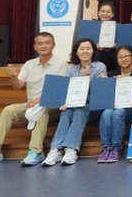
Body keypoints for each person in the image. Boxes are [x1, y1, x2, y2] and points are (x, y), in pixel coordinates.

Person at [0, 32, 67, 168]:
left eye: (47, 43)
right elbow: (17, 86)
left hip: (51, 106)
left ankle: (36, 151)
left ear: (53, 45)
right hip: (30, 106)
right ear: (35, 47)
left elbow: (59, 90)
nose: (43, 46)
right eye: (40, 43)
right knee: (8, 110)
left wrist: (38, 100)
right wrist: (13, 76)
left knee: (41, 111)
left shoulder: (61, 63)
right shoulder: (29, 64)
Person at [43, 38, 107, 167]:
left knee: (79, 110)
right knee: (66, 112)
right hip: (74, 106)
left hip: (93, 106)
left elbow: (99, 92)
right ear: (76, 52)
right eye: (82, 49)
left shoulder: (100, 67)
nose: (85, 51)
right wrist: (63, 102)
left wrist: (87, 77)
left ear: (93, 51)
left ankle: (71, 149)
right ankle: (55, 150)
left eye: (88, 48)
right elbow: (66, 89)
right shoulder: (71, 69)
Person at [97, 45, 132, 163]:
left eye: (126, 56)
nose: (123, 59)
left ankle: (116, 148)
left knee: (118, 113)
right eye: (120, 57)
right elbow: (105, 94)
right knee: (106, 113)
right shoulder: (112, 74)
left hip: (131, 108)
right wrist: (106, 82)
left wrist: (124, 82)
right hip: (113, 106)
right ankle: (106, 147)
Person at [95, 0, 118, 71]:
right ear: (98, 13)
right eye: (102, 11)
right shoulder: (92, 26)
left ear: (112, 14)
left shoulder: (118, 27)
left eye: (108, 12)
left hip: (112, 55)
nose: (105, 14)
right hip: (97, 55)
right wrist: (94, 46)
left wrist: (115, 45)